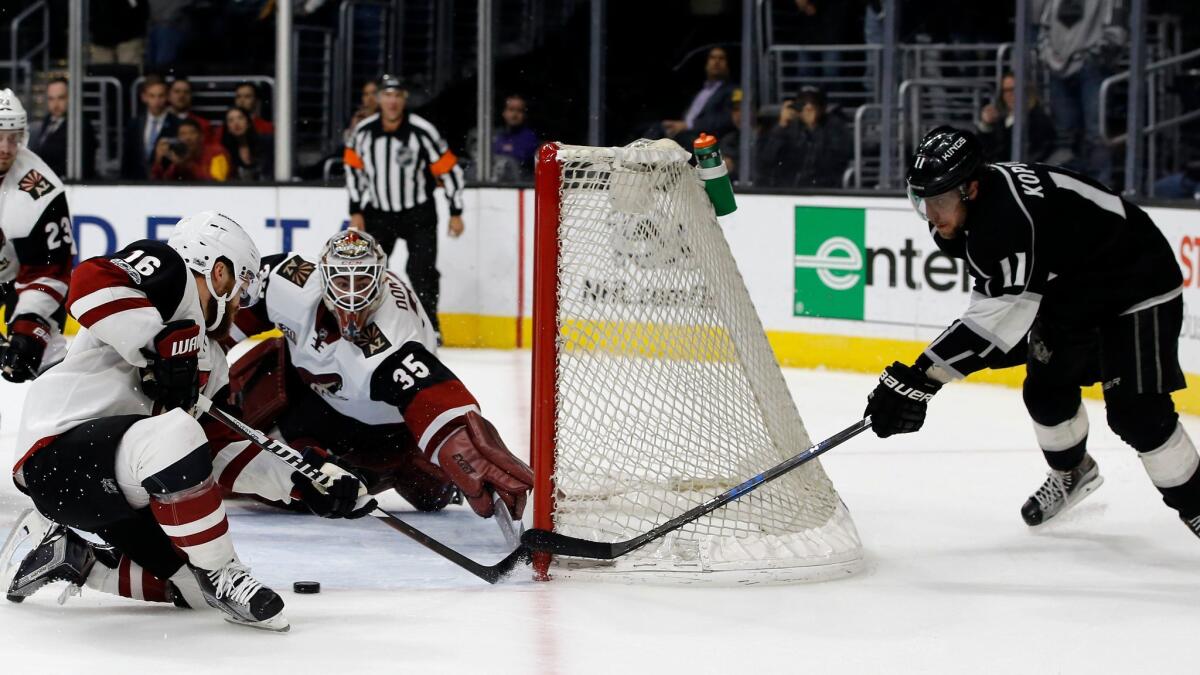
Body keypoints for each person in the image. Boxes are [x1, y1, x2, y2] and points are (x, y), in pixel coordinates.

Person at [5, 212, 375, 630]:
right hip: (59, 457)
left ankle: (76, 560)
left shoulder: (212, 362)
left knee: (193, 592)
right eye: (241, 289)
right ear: (220, 273)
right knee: (178, 435)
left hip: (114, 492)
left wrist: (303, 480)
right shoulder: (171, 272)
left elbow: (219, 450)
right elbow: (89, 281)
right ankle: (225, 572)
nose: (240, 304)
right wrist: (157, 344)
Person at [864, 126, 1200, 539]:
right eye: (921, 200)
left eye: (938, 200)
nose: (931, 215)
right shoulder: (961, 220)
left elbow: (994, 322)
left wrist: (919, 379)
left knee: (1137, 413)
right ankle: (1074, 474)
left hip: (1134, 283)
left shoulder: (1004, 219)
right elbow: (1001, 313)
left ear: (970, 189)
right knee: (1046, 391)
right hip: (1070, 290)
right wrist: (934, 372)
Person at [227, 229, 534, 518]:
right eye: (341, 282)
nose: (350, 294)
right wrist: (202, 360)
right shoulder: (289, 279)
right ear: (322, 277)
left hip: (380, 429)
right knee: (239, 441)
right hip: (302, 386)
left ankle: (396, 466)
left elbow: (428, 391)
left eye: (361, 282)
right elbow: (228, 313)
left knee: (414, 493)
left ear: (381, 280)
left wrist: (456, 437)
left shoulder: (394, 334)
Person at [343, 74, 466, 338]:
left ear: (404, 99)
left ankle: (429, 326)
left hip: (418, 212)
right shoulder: (364, 132)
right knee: (369, 271)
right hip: (378, 212)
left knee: (422, 271)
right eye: (387, 95)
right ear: (378, 99)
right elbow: (354, 170)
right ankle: (368, 323)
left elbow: (450, 170)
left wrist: (456, 211)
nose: (392, 101)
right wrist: (356, 210)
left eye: (397, 95)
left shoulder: (421, 131)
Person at [0, 90, 74, 384]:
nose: (6, 148)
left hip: (18, 278)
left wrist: (28, 328)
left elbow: (50, 271)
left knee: (41, 350)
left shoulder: (42, 191)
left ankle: (65, 412)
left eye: (14, 137)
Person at [1037, 0, 1126, 184]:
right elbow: (1044, 28)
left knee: (1096, 132)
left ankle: (1099, 186)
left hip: (1091, 69)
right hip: (1057, 67)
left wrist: (1092, 57)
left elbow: (1117, 32)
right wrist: (1049, 56)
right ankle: (1067, 185)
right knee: (1064, 133)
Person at [658, 46, 738, 146]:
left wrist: (689, 126)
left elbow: (727, 119)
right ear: (706, 64)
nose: (716, 62)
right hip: (685, 135)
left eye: (721, 58)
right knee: (653, 129)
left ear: (728, 65)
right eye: (712, 58)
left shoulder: (733, 90)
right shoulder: (699, 93)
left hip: (706, 139)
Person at [975, 72, 1056, 164]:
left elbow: (1039, 153)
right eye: (1005, 90)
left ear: (1027, 91)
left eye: (1014, 89)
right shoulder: (1000, 120)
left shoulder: (1038, 119)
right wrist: (986, 126)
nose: (1009, 94)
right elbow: (984, 151)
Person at [28, 77, 97, 179]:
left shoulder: (80, 125)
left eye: (61, 98)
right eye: (51, 99)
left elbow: (82, 164)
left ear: (70, 98)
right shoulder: (47, 121)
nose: (55, 104)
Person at [121, 77, 179, 179]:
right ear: (144, 97)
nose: (156, 101)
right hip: (136, 183)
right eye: (152, 96)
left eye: (161, 96)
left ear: (168, 97)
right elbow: (126, 159)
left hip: (166, 184)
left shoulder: (177, 124)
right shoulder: (134, 124)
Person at [151, 118, 230, 181]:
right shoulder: (178, 155)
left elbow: (218, 183)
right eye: (183, 134)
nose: (187, 138)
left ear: (201, 137)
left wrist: (187, 165)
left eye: (192, 133)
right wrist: (158, 161)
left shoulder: (217, 153)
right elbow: (160, 184)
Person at [491, 94, 538, 181]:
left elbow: (520, 158)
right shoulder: (495, 136)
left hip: (520, 185)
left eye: (519, 111)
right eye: (511, 109)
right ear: (504, 112)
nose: (514, 114)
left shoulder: (529, 137)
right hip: (495, 185)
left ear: (525, 114)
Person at [220, 107, 272, 181]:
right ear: (228, 128)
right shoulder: (226, 152)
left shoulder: (267, 143)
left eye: (240, 118)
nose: (236, 123)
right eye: (231, 120)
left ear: (248, 123)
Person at [342, 79, 378, 144]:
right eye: (366, 94)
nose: (370, 98)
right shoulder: (357, 117)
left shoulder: (386, 118)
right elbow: (348, 143)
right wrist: (354, 127)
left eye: (374, 93)